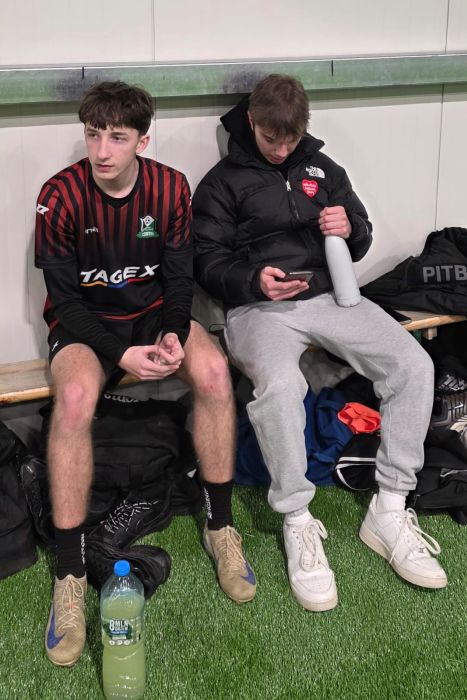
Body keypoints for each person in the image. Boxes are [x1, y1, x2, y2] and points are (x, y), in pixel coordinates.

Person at [192, 73, 447, 613]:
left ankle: (390, 506)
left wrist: (351, 227)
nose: (281, 150)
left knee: (413, 364)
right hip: (258, 308)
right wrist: (254, 280)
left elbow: (362, 235)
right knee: (282, 387)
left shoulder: (323, 169)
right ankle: (297, 519)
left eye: (290, 140)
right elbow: (205, 262)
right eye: (271, 139)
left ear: (302, 129)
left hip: (331, 296)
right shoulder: (221, 183)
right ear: (251, 122)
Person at [35, 81, 256, 667]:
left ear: (142, 140)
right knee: (75, 399)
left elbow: (179, 277)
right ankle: (70, 573)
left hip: (154, 315)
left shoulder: (170, 186)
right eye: (93, 135)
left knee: (214, 373)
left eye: (116, 137)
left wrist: (173, 330)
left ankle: (220, 527)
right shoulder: (59, 195)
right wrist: (121, 354)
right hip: (88, 324)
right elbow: (66, 300)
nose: (101, 150)